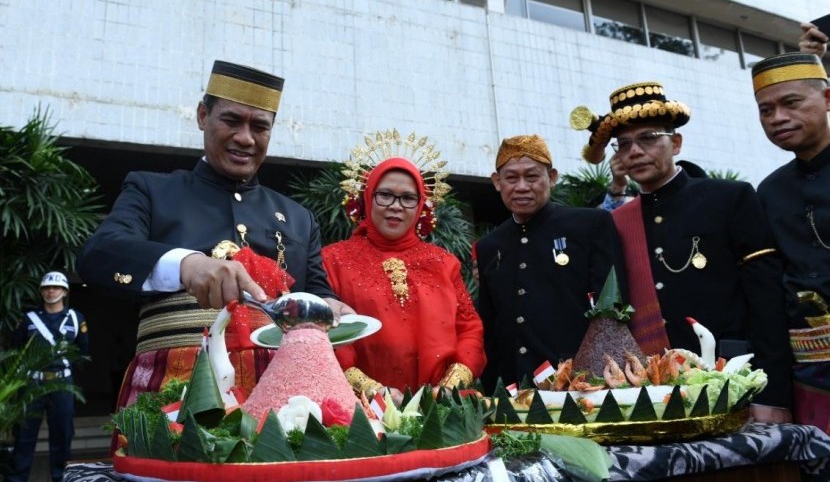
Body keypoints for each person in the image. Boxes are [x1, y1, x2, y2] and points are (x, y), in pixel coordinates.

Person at [77, 60, 352, 408]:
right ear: (202, 115)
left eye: (260, 126)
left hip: (283, 396)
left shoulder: (299, 218)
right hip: (173, 390)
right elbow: (98, 254)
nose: (245, 138)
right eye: (231, 120)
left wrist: (329, 307)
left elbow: (316, 293)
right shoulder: (151, 190)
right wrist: (186, 265)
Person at [573, 81, 793, 422]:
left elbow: (766, 303)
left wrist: (773, 394)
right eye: (624, 144)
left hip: (734, 381)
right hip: (656, 391)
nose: (634, 151)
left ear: (675, 142)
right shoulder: (616, 223)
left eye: (648, 138)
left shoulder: (729, 198)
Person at [321, 134, 486, 404]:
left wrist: (449, 387)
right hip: (360, 409)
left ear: (421, 205)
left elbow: (469, 329)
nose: (396, 206)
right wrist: (371, 390)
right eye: (385, 195)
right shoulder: (332, 260)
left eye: (408, 198)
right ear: (367, 197)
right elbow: (325, 333)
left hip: (438, 407)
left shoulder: (444, 263)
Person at [475, 134, 626, 392]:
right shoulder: (490, 245)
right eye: (511, 178)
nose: (521, 186)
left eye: (532, 176)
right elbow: (490, 325)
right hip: (515, 387)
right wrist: (490, 390)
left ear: (552, 177)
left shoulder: (590, 225)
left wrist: (601, 378)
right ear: (497, 182)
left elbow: (611, 308)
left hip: (579, 384)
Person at [751, 52, 830, 432]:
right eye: (766, 110)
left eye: (791, 103)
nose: (777, 118)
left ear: (827, 99)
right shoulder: (769, 192)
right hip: (807, 376)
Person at [6, 271, 89, 482]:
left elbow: (83, 352)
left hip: (62, 383)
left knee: (62, 433)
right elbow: (15, 348)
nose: (51, 291)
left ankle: (60, 477)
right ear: (42, 291)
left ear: (64, 291)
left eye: (56, 287)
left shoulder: (75, 318)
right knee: (24, 435)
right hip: (33, 382)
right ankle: (17, 478)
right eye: (46, 288)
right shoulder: (28, 319)